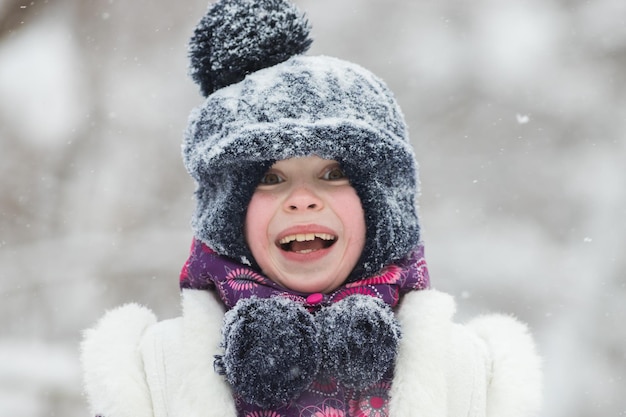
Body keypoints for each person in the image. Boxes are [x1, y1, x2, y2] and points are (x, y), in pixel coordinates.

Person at [81, 0, 542, 416]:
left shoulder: (468, 378)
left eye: (333, 174)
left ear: (380, 210)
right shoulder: (153, 377)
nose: (302, 199)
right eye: (270, 178)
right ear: (230, 216)